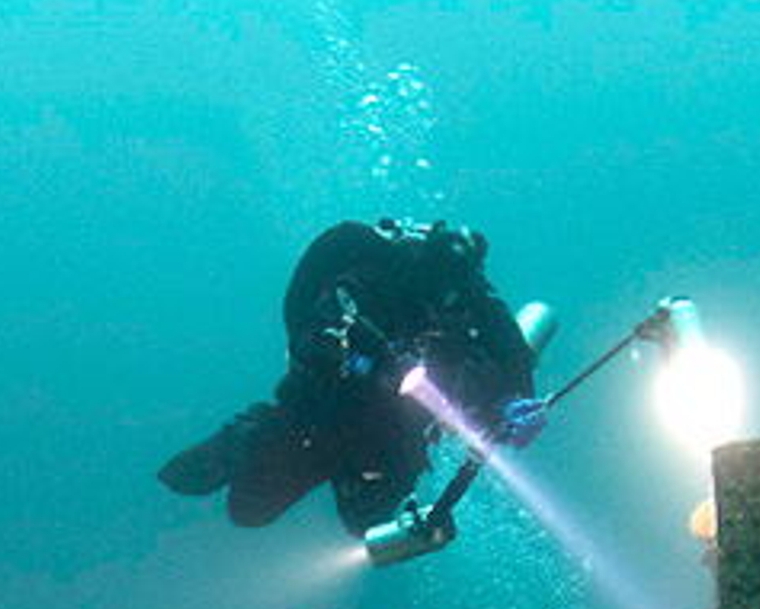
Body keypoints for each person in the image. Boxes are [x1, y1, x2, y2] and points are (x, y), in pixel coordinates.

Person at [159, 218, 543, 539]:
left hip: (393, 433)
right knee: (248, 510)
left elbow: (509, 349)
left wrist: (515, 399)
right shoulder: (368, 281)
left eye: (451, 296)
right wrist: (371, 365)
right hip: (324, 412)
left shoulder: (467, 298)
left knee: (364, 522)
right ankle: (251, 435)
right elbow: (318, 338)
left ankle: (343, 471)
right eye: (435, 291)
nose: (441, 302)